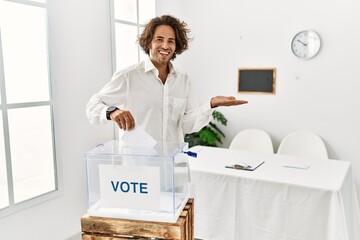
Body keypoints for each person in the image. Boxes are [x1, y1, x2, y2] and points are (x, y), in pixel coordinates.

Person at [86, 15, 248, 142]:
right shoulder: (129, 76)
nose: (165, 46)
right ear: (149, 42)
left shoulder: (184, 80)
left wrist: (211, 104)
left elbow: (188, 125)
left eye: (171, 41)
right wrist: (112, 111)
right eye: (159, 39)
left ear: (176, 46)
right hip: (138, 167)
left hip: (173, 166)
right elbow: (93, 105)